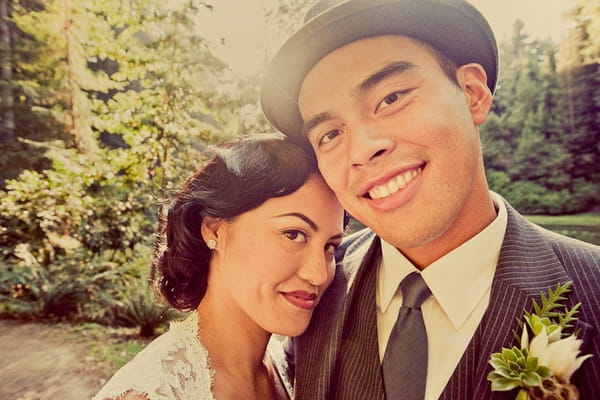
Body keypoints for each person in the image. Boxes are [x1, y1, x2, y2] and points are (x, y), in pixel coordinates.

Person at [260, 0, 600, 399]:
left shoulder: (591, 289)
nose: (362, 150)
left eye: (391, 99)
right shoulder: (311, 288)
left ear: (472, 94)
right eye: (330, 134)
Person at [92, 133, 346, 400]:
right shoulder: (150, 392)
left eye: (330, 246)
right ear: (213, 228)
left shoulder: (289, 371)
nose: (318, 274)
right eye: (293, 234)